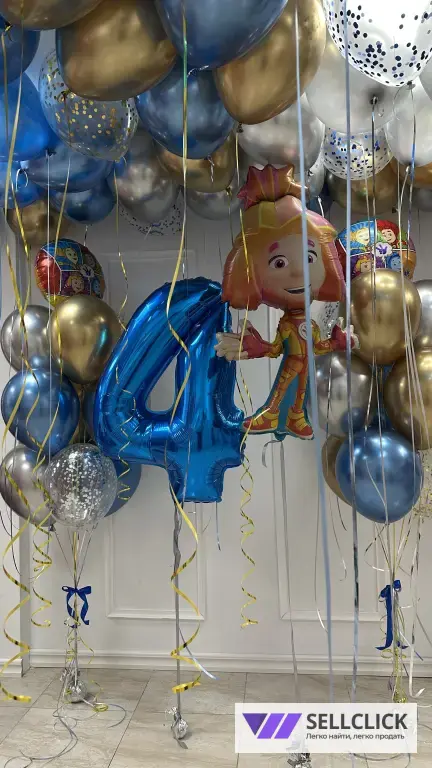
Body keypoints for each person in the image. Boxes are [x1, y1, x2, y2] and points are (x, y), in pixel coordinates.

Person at [214, 165, 358, 440]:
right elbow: (277, 349)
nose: (298, 272)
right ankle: (271, 413)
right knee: (283, 388)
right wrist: (257, 347)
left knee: (300, 392)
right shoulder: (288, 325)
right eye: (278, 262)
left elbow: (317, 347)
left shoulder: (310, 325)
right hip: (293, 363)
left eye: (309, 258)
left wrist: (336, 343)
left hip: (305, 366)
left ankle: (295, 417)